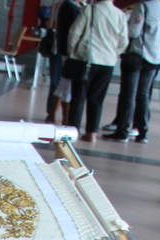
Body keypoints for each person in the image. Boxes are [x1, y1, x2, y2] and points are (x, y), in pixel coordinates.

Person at [104, 0, 160, 143]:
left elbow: (134, 31)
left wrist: (126, 24)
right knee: (143, 95)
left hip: (136, 55)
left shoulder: (142, 7)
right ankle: (142, 132)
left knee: (128, 94)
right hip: (154, 59)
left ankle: (123, 131)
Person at [66, 0, 128, 142]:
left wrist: (72, 52)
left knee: (78, 97)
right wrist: (113, 54)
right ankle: (92, 132)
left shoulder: (89, 10)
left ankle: (73, 131)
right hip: (107, 63)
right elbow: (123, 41)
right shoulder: (120, 15)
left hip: (86, 60)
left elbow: (74, 33)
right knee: (97, 99)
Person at [45, 0, 82, 124]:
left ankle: (54, 114)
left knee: (63, 82)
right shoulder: (68, 6)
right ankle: (63, 116)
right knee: (64, 82)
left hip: (65, 49)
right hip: (67, 50)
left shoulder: (69, 6)